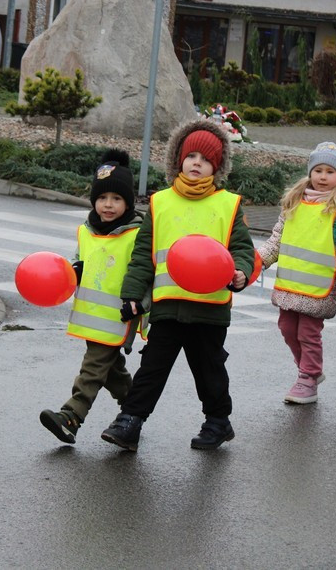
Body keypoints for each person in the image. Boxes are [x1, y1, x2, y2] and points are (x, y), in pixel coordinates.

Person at [99, 120, 255, 451]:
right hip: (167, 305)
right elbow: (144, 254)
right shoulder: (161, 202)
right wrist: (132, 294)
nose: (197, 163)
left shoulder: (229, 204)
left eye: (206, 159)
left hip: (210, 308)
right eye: (191, 156)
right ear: (179, 160)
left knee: (209, 369)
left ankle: (218, 421)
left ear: (217, 166)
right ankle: (130, 421)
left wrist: (241, 271)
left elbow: (242, 249)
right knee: (152, 367)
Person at [39, 150, 146, 444]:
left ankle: (71, 416)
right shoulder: (86, 231)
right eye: (102, 198)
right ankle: (135, 409)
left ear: (128, 202)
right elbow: (81, 261)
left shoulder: (136, 234)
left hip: (117, 317)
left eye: (116, 198)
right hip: (90, 317)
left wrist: (139, 303)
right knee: (110, 371)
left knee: (93, 367)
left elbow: (144, 273)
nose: (108, 205)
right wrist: (74, 270)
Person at [257, 142, 336, 404]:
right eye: (318, 170)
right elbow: (277, 239)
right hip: (290, 283)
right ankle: (308, 370)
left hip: (320, 287)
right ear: (310, 172)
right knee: (286, 328)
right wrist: (258, 261)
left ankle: (308, 377)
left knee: (308, 333)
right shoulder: (294, 202)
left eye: (330, 171)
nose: (323, 177)